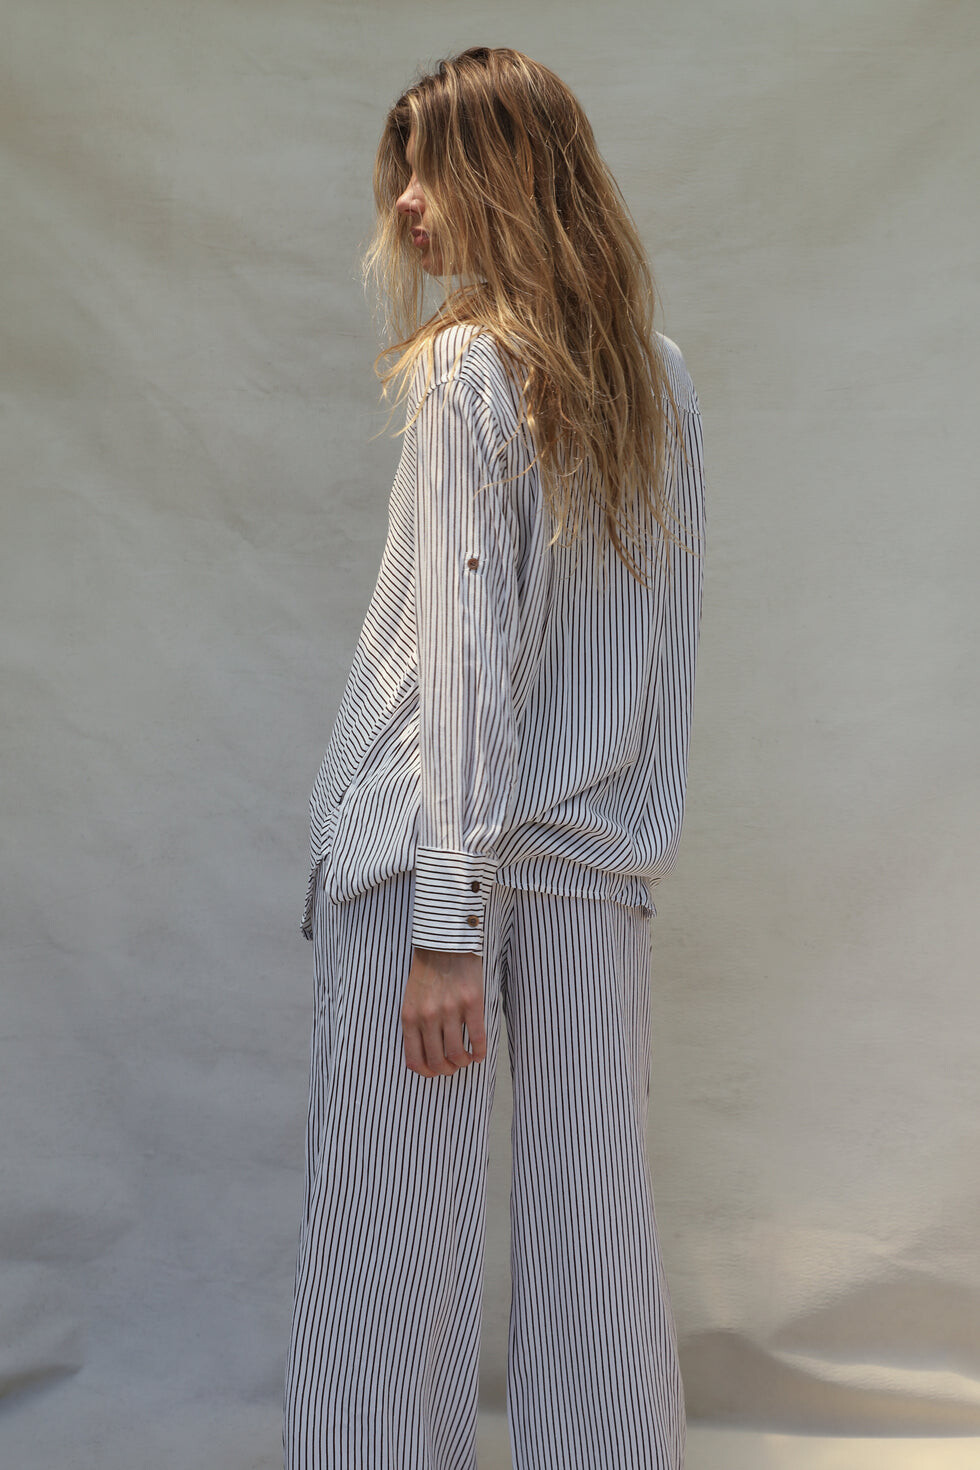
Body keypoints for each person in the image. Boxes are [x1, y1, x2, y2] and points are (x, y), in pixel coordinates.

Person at [283, 45, 705, 1470]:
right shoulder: (660, 381)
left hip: (426, 863)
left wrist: (448, 919)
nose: (404, 201)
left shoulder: (464, 368)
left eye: (435, 167)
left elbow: (461, 658)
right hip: (592, 867)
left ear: (515, 171)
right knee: (599, 1250)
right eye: (398, 170)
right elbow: (668, 662)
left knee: (384, 1262)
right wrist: (628, 845)